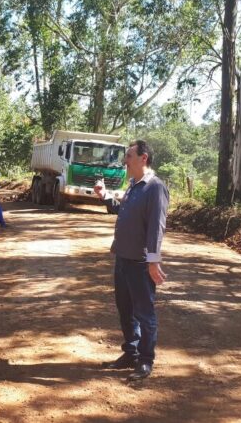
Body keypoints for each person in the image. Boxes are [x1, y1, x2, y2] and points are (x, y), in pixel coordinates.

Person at [94, 140, 169, 381]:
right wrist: (104, 195)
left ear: (143, 158)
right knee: (125, 311)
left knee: (144, 314)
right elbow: (122, 210)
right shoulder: (133, 186)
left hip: (139, 263)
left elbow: (157, 227)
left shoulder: (155, 188)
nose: (125, 160)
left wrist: (153, 261)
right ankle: (131, 353)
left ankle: (146, 361)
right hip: (123, 260)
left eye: (128, 155)